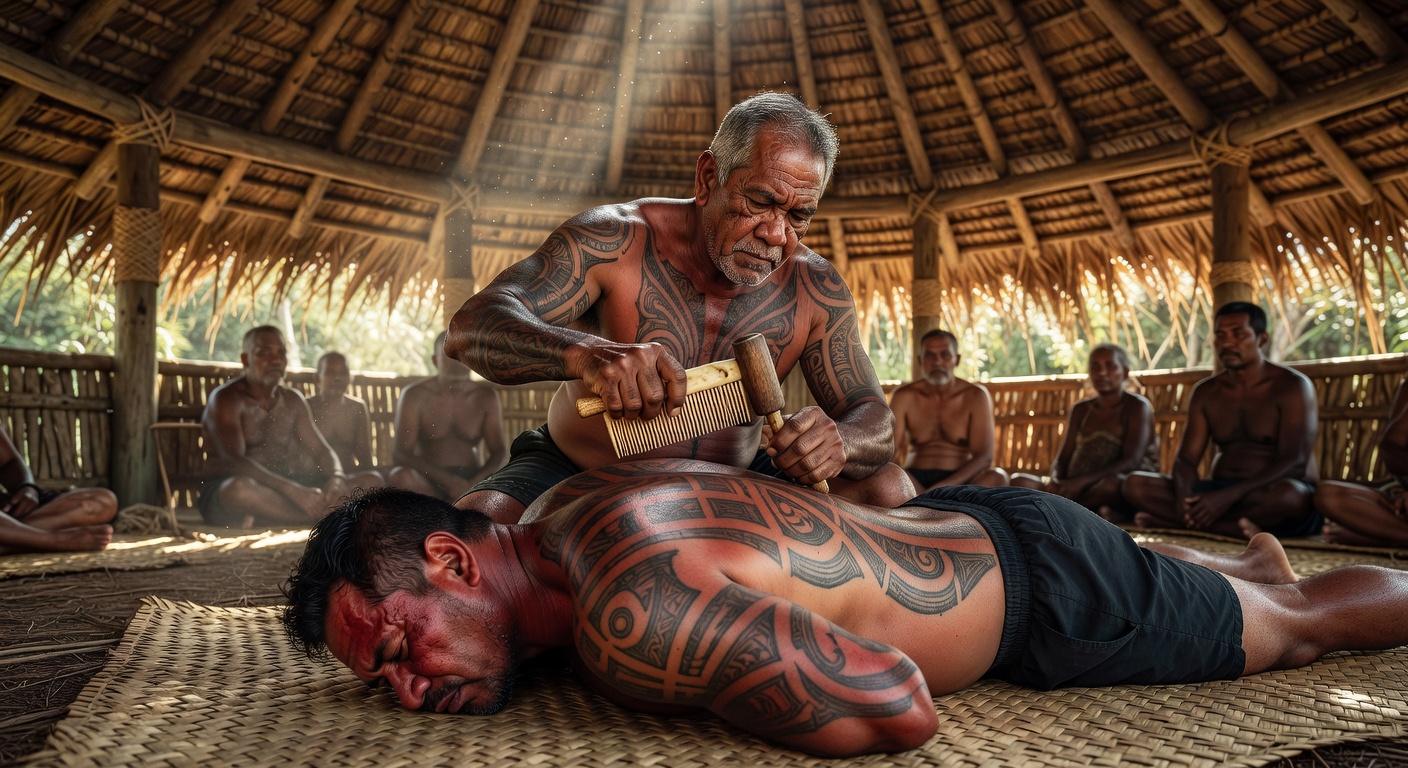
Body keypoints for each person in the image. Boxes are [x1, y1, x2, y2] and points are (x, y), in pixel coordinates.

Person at [282, 458, 1408, 758]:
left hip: (1044, 599)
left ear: (454, 560)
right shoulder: (560, 509)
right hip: (963, 523)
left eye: (400, 646)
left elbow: (896, 705)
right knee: (1217, 586)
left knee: (1299, 626)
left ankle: (1277, 587)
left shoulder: (632, 613)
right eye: (383, 682)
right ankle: (1238, 567)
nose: (408, 690)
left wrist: (705, 673)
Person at [444, 92, 912, 524]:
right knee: (470, 536)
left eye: (799, 216)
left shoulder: (814, 287)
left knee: (888, 488)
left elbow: (874, 418)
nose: (775, 234)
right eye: (760, 202)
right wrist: (587, 355)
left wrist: (841, 441)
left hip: (740, 479)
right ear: (708, 178)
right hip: (576, 470)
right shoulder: (613, 241)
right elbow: (469, 328)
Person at [1123, 302, 1319, 539]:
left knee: (1291, 497)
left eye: (1238, 334)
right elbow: (1186, 459)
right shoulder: (1207, 392)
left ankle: (1185, 523)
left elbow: (1295, 461)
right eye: (1220, 335)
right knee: (1135, 485)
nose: (1227, 343)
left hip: (1266, 491)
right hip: (1218, 489)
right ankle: (1229, 527)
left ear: (1262, 339)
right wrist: (1183, 497)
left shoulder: (1292, 386)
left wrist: (1227, 497)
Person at [200, 326, 381, 528]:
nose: (276, 360)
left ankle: (271, 516)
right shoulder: (226, 399)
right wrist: (292, 490)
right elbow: (233, 461)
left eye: (281, 353)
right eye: (264, 353)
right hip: (239, 490)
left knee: (372, 481)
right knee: (239, 490)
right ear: (246, 359)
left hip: (288, 489)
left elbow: (322, 451)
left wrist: (336, 478)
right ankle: (321, 517)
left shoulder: (293, 400)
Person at [1011, 343, 1156, 518]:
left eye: (1110, 366)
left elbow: (1131, 460)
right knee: (1019, 480)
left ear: (1124, 372)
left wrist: (1081, 482)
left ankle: (1065, 508)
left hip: (1103, 485)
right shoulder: (1080, 410)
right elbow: (1063, 457)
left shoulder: (1137, 407)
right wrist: (1056, 480)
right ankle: (1084, 510)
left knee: (1112, 485)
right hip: (1074, 487)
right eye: (1095, 367)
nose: (1101, 372)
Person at [387, 333, 507, 503]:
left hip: (473, 482)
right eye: (449, 356)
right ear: (435, 361)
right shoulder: (414, 396)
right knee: (400, 477)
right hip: (429, 483)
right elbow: (401, 454)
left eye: (463, 355)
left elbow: (499, 452)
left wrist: (474, 484)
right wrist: (448, 481)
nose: (457, 363)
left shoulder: (486, 397)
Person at [890, 330, 1007, 490]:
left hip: (961, 481)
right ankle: (937, 502)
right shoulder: (903, 396)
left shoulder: (975, 396)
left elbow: (984, 457)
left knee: (997, 476)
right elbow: (889, 454)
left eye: (945, 355)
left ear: (956, 360)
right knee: (884, 475)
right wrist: (914, 487)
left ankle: (930, 502)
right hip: (914, 481)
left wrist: (940, 489)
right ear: (920, 360)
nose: (937, 362)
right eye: (929, 356)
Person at [1314, 375, 1408, 546]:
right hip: (1402, 496)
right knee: (1328, 495)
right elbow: (1391, 447)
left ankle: (1379, 536)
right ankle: (1397, 535)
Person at [0, 422, 116, 555]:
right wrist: (56, 539)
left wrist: (27, 487)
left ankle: (13, 539)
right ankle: (53, 540)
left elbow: (9, 461)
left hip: (6, 511)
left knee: (102, 501)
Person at [307, 352, 380, 480]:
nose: (338, 378)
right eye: (331, 373)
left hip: (348, 479)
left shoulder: (357, 408)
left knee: (374, 479)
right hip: (313, 481)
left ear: (351, 378)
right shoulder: (306, 407)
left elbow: (365, 457)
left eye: (343, 373)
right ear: (318, 378)